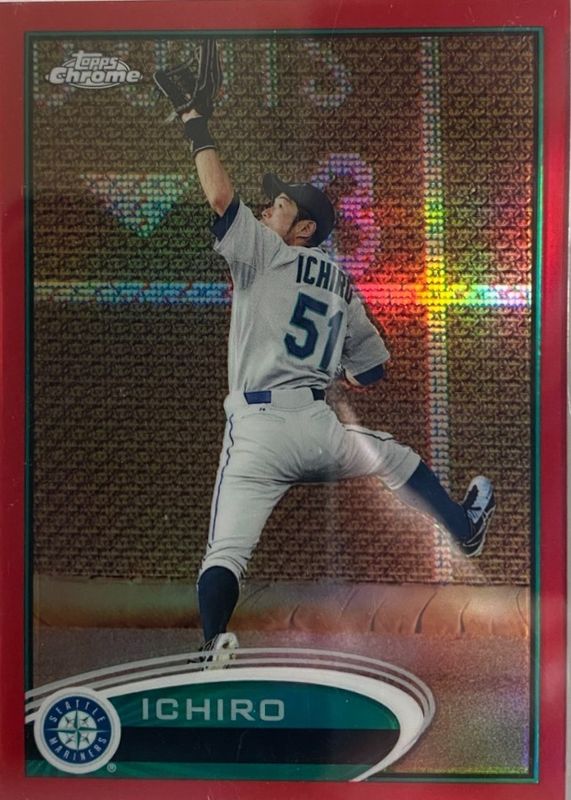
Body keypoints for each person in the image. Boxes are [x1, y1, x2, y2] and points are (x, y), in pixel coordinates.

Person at [179, 108, 496, 667]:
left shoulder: (266, 250)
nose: (267, 208)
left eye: (279, 205)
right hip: (317, 427)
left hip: (256, 433)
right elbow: (372, 371)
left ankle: (211, 649)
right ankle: (463, 527)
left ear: (303, 230)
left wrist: (194, 122)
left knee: (225, 552)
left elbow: (220, 197)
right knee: (395, 458)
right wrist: (340, 370)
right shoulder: (343, 283)